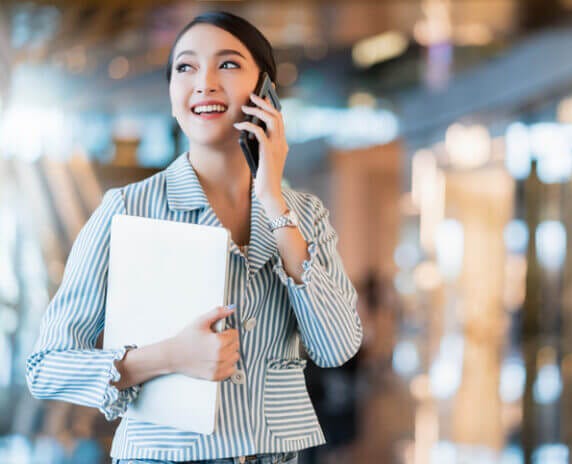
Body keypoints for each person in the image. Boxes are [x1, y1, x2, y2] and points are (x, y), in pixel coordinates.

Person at [25, 11, 363, 464]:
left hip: (278, 454)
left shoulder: (303, 213)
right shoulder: (128, 209)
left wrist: (273, 202)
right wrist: (168, 357)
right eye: (185, 67)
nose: (203, 82)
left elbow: (336, 347)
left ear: (266, 93)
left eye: (227, 64)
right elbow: (46, 366)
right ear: (171, 94)